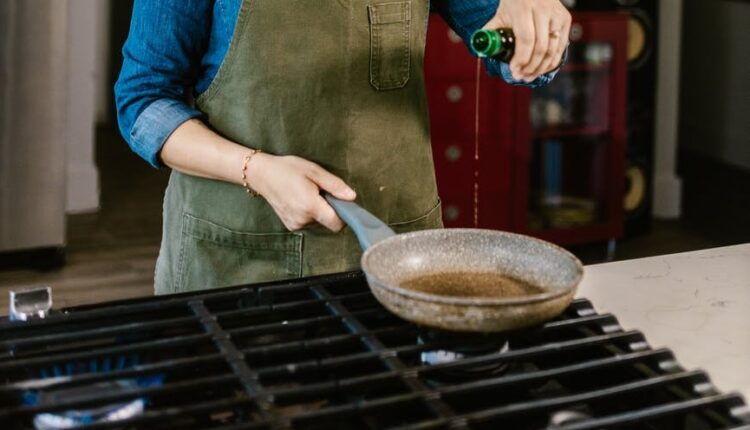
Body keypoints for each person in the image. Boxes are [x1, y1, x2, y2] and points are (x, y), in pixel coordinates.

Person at [115, 0, 571, 295]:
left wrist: (536, 35)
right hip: (237, 265)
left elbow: (503, 41)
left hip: (395, 261)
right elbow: (143, 103)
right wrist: (257, 170)